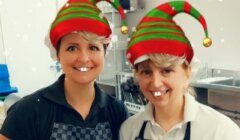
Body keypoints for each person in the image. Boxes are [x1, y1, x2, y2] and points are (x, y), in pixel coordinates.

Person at [0, 0, 129, 139]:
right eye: (72, 48)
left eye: (93, 47)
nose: (84, 58)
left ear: (104, 54)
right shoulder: (27, 111)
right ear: (57, 54)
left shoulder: (117, 111)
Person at [120, 1, 240, 140]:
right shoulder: (129, 130)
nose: (156, 83)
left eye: (166, 70)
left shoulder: (220, 132)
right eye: (146, 72)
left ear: (187, 71)